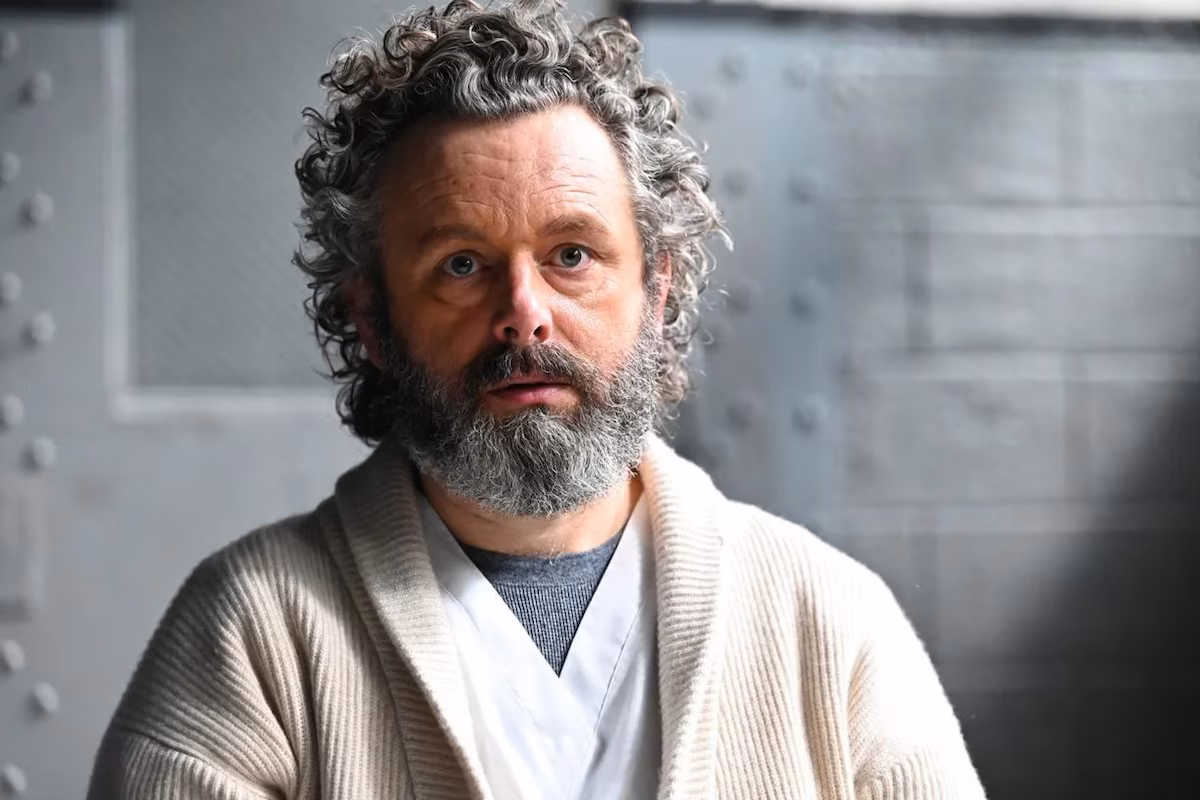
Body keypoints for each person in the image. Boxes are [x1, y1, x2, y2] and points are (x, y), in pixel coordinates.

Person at [88, 0, 986, 797]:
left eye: (572, 255)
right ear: (372, 319)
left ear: (656, 290)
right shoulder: (251, 636)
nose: (524, 314)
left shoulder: (830, 622)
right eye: (461, 265)